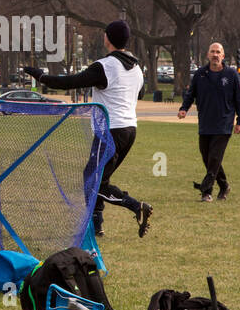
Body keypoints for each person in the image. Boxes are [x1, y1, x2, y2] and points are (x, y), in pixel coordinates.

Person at [25, 20, 153, 237]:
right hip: (129, 130)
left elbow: (68, 82)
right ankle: (97, 226)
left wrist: (40, 76)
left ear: (107, 38)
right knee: (98, 180)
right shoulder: (137, 67)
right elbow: (139, 94)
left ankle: (135, 207)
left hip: (110, 132)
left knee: (92, 183)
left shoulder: (105, 66)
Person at [178, 42, 240, 201]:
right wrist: (184, 108)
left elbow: (239, 100)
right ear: (207, 55)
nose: (215, 55)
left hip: (224, 123)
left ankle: (206, 191)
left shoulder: (231, 75)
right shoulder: (200, 74)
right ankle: (224, 186)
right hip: (205, 123)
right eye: (212, 52)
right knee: (207, 158)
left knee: (214, 158)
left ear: (223, 56)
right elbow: (191, 94)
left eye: (218, 52)